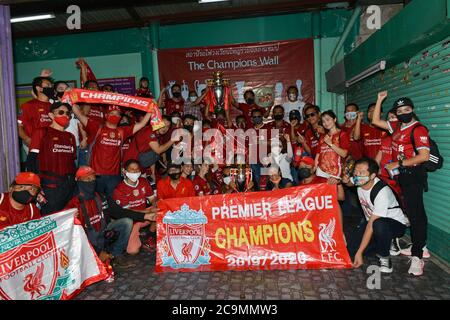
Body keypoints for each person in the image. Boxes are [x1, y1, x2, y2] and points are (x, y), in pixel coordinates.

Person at [371, 91, 431, 276]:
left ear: (412, 110)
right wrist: (380, 100)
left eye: (407, 109)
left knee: (416, 216)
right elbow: (375, 121)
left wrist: (399, 163)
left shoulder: (418, 129)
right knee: (409, 213)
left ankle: (417, 256)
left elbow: (424, 156)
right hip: (400, 177)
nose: (404, 112)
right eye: (400, 110)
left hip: (413, 176)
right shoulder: (397, 126)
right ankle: (418, 246)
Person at [66, 166, 156, 269]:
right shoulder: (73, 204)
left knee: (126, 222)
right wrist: (98, 251)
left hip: (103, 232)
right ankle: (98, 255)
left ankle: (116, 255)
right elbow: (74, 235)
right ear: (78, 180)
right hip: (86, 241)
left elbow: (120, 212)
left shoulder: (101, 197)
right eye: (87, 179)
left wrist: (145, 216)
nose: (91, 182)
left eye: (93, 179)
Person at [72, 104, 152, 197]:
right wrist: (71, 97)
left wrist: (151, 108)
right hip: (96, 175)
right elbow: (79, 114)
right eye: (112, 113)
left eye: (118, 114)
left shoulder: (123, 131)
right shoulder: (97, 127)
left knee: (113, 203)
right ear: (106, 115)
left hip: (114, 176)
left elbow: (142, 124)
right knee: (98, 203)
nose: (115, 116)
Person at [344, 158, 409, 274]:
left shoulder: (381, 192)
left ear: (372, 176)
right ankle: (385, 242)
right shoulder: (360, 179)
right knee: (351, 250)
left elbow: (371, 226)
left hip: (394, 224)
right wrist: (345, 180)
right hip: (373, 223)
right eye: (356, 172)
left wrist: (360, 252)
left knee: (377, 225)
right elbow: (350, 182)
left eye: (362, 173)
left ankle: (385, 257)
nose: (357, 175)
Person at [26, 102, 77, 215]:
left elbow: (72, 162)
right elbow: (31, 161)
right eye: (61, 112)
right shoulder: (41, 132)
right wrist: (34, 187)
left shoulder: (71, 137)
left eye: (68, 113)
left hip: (69, 186)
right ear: (51, 115)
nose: (65, 115)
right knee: (51, 221)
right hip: (50, 187)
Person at [113, 160, 156, 255]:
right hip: (133, 221)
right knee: (133, 251)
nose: (135, 172)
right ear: (124, 171)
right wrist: (145, 212)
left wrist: (155, 206)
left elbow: (152, 199)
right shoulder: (119, 189)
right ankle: (135, 236)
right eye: (132, 169)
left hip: (147, 215)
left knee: (161, 209)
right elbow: (128, 211)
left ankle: (150, 236)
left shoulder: (144, 181)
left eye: (137, 169)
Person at [17, 77, 53, 153]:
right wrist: (26, 139)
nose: (51, 87)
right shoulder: (28, 105)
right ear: (39, 88)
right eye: (48, 85)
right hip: (35, 145)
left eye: (51, 86)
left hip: (51, 144)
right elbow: (19, 126)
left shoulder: (53, 106)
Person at [315, 110, 350, 180]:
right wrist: (315, 166)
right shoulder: (323, 136)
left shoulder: (342, 134)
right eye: (323, 121)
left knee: (334, 190)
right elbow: (318, 153)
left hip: (335, 171)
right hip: (321, 171)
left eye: (328, 120)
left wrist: (330, 144)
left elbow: (344, 154)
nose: (326, 123)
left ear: (334, 119)